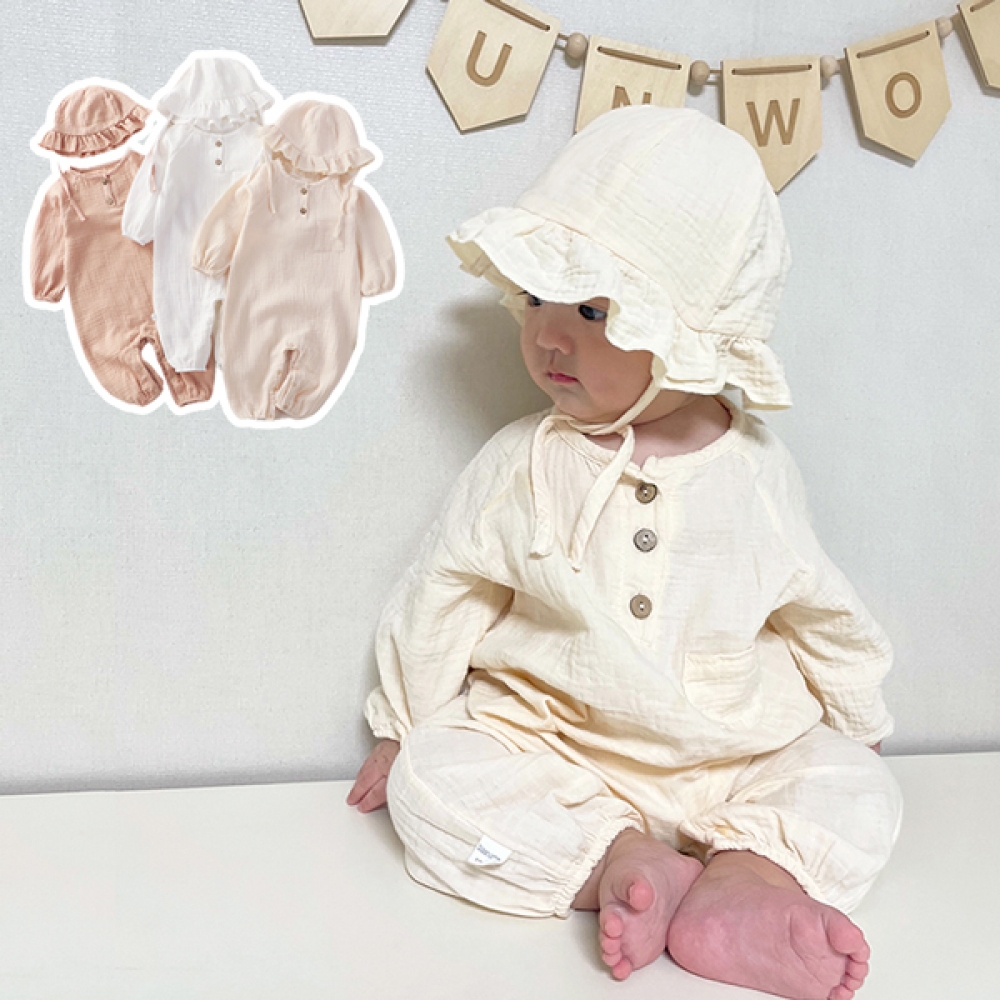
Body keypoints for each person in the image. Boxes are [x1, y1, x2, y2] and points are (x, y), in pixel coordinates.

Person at [348, 107, 901, 1000]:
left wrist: (859, 715)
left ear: (692, 335)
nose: (547, 336)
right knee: (431, 781)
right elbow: (444, 593)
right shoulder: (522, 462)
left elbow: (818, 606)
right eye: (536, 300)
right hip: (552, 745)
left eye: (593, 310)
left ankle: (742, 881)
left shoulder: (753, 470)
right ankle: (621, 860)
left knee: (859, 790)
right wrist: (400, 725)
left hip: (736, 754)